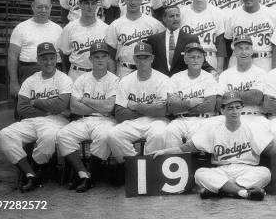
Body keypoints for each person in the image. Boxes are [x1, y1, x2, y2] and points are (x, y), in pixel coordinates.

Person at [153, 91, 276, 201]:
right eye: (230, 108)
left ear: (242, 109)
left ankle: (222, 190)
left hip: (247, 169)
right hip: (222, 170)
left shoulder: (253, 126)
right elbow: (186, 148)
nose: (234, 111)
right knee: (200, 174)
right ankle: (242, 192)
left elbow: (272, 149)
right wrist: (165, 152)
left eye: (238, 108)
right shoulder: (213, 127)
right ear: (222, 110)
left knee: (265, 173)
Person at [0, 42, 72, 193]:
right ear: (38, 60)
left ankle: (35, 168)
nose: (49, 62)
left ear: (56, 59)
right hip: (32, 120)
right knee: (5, 135)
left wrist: (36, 102)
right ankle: (31, 173)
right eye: (44, 59)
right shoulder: (31, 80)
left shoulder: (64, 79)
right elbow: (22, 108)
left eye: (52, 58)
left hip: (55, 121)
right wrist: (48, 109)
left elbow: (61, 105)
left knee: (49, 136)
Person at [55, 41, 118, 193]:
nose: (100, 60)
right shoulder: (81, 79)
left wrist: (86, 100)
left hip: (106, 120)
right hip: (83, 119)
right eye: (96, 57)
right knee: (62, 135)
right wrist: (99, 105)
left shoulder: (114, 79)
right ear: (91, 59)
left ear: (108, 58)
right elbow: (74, 107)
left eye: (103, 56)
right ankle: (83, 174)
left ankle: (89, 175)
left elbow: (109, 107)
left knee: (105, 136)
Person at [107, 43, 173, 176]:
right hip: (134, 122)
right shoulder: (125, 81)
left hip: (157, 121)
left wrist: (136, 106)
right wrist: (151, 108)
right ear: (134, 59)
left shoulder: (163, 79)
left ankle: (151, 169)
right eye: (139, 58)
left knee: (159, 134)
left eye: (146, 57)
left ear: (152, 58)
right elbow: (119, 114)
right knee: (113, 135)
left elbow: (163, 111)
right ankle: (135, 167)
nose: (142, 61)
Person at [8, 0, 63, 103]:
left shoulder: (58, 29)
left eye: (46, 7)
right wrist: (13, 81)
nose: (43, 10)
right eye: (39, 7)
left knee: (52, 109)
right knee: (26, 109)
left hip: (53, 71)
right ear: (32, 6)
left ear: (51, 8)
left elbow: (63, 56)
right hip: (28, 71)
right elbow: (12, 56)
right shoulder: (21, 28)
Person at [164, 42, 220, 148]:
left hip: (202, 119)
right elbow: (171, 107)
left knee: (196, 137)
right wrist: (190, 102)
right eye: (192, 57)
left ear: (203, 59)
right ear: (185, 59)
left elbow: (209, 106)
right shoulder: (176, 78)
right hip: (180, 120)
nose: (196, 60)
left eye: (199, 57)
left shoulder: (209, 78)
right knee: (169, 130)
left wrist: (182, 105)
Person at [105, 0, 164, 77]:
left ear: (142, 0)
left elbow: (161, 53)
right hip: (124, 70)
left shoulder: (154, 24)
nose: (133, 2)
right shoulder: (115, 25)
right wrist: (113, 79)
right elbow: (110, 57)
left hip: (148, 71)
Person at [224, 0, 276, 71]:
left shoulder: (272, 15)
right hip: (238, 61)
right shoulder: (231, 15)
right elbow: (227, 44)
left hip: (264, 60)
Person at [145, 5, 216, 77]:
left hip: (182, 82)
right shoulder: (153, 40)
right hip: (161, 82)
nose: (175, 19)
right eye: (172, 16)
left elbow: (200, 61)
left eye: (177, 16)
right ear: (164, 18)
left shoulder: (191, 39)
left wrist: (211, 71)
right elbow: (147, 62)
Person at [218, 34, 269, 128]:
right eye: (240, 48)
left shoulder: (261, 73)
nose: (243, 52)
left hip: (255, 117)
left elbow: (256, 98)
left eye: (247, 48)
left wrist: (229, 96)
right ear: (235, 51)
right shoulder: (225, 75)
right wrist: (247, 94)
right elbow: (218, 101)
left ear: (252, 51)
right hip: (230, 118)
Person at [180, 0, 227, 72]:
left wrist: (219, 68)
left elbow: (220, 43)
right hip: (188, 59)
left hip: (210, 57)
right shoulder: (181, 13)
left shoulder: (217, 12)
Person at [57, 0, 108, 81]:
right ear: (80, 4)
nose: (90, 7)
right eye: (86, 3)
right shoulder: (70, 27)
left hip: (99, 74)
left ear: (97, 5)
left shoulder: (106, 28)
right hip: (76, 74)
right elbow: (63, 53)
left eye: (93, 3)